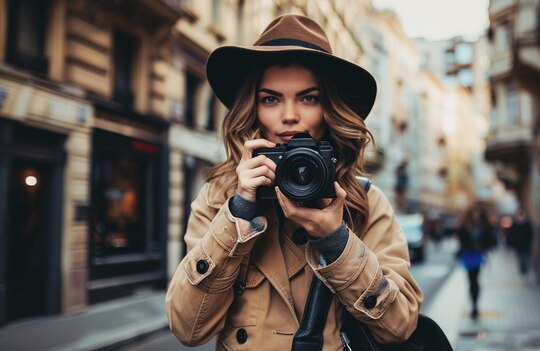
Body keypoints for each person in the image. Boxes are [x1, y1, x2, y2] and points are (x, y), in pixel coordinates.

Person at [165, 14, 422, 350]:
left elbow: (399, 327)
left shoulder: (363, 202)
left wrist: (336, 241)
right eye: (271, 99)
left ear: (329, 108)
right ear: (253, 109)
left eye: (308, 98)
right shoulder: (221, 199)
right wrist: (239, 215)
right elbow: (187, 328)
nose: (289, 115)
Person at [457, 205, 496, 320]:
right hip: (468, 255)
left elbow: (490, 239)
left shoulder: (484, 226)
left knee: (475, 279)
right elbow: (461, 238)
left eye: (478, 213)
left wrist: (486, 247)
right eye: (474, 213)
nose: (476, 216)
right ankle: (474, 304)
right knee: (471, 279)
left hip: (478, 255)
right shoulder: (464, 225)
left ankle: (475, 305)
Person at [507, 208, 533, 277]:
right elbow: (511, 234)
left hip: (526, 245)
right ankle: (523, 272)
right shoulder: (515, 224)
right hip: (518, 245)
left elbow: (530, 235)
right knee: (520, 259)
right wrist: (511, 244)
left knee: (525, 259)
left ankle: (525, 271)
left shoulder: (527, 224)